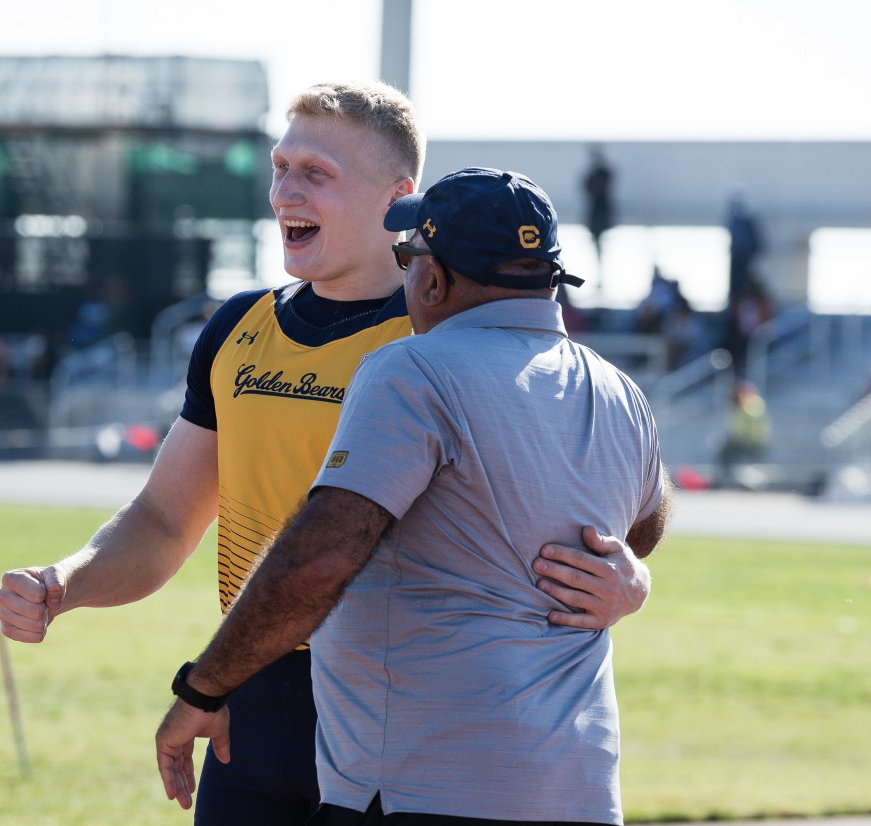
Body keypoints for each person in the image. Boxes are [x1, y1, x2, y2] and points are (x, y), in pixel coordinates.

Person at [0, 84, 654, 825]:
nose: (284, 189)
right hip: (246, 698)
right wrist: (66, 583)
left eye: (316, 172)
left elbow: (603, 485)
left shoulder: (448, 340)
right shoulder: (238, 327)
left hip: (395, 712)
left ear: (399, 198)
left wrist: (628, 573)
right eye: (280, 165)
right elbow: (163, 519)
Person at [155, 167, 671, 825]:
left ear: (432, 280)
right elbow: (644, 527)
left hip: (420, 790)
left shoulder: (412, 369)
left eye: (408, 256)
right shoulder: (617, 389)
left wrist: (203, 687)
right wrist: (633, 579)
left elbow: (320, 560)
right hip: (579, 790)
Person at [716, 380, 771, 488]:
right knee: (722, 448)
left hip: (752, 441)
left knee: (727, 450)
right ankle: (730, 475)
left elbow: (755, 427)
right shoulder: (739, 408)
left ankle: (736, 475)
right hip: (742, 439)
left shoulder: (753, 405)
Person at [582, 144, 615, 263]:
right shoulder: (594, 174)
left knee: (599, 239)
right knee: (596, 239)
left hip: (601, 209)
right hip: (596, 209)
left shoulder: (603, 174)